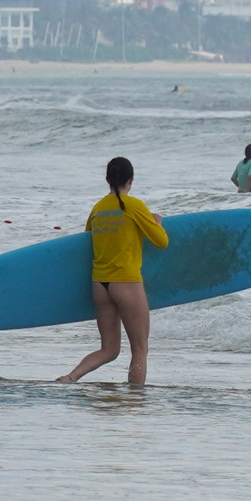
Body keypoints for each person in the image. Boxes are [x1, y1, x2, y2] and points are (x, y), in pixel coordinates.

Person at [58, 157, 168, 385]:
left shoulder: (97, 209)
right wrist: (156, 223)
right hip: (126, 282)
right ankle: (135, 397)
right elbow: (161, 242)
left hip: (100, 285)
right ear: (131, 180)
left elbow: (87, 240)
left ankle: (71, 377)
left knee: (109, 349)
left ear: (107, 180)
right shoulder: (135, 206)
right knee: (139, 349)